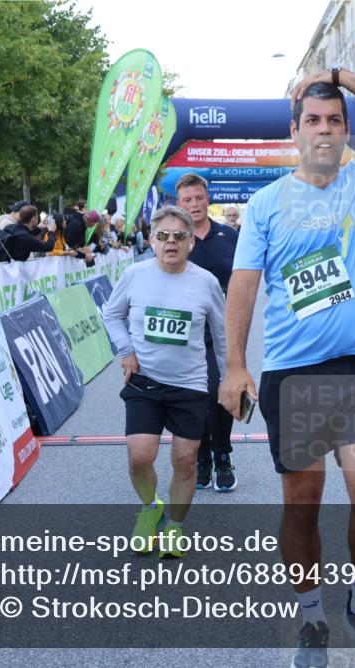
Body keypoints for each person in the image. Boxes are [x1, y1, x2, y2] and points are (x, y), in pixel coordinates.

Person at [219, 69, 355, 668]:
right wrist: (234, 367)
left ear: (346, 129)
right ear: (295, 131)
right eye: (313, 121)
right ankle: (310, 617)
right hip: (293, 374)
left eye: (334, 121)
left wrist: (338, 78)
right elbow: (244, 288)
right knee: (301, 505)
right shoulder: (265, 204)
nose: (324, 131)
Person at [101, 206, 225, 559]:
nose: (171, 242)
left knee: (185, 462)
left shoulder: (206, 282)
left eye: (180, 236)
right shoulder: (135, 275)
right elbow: (111, 314)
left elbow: (221, 331)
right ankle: (151, 506)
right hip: (145, 382)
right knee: (140, 457)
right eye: (164, 236)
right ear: (151, 240)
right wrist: (126, 350)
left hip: (189, 385)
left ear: (191, 243)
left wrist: (231, 375)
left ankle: (174, 527)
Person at [176, 172, 240, 492]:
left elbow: (246, 278)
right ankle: (201, 457)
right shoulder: (171, 238)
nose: (194, 204)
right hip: (184, 334)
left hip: (221, 331)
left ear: (208, 199)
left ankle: (222, 455)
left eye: (199, 197)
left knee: (219, 392)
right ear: (179, 203)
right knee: (194, 397)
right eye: (187, 199)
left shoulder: (229, 235)